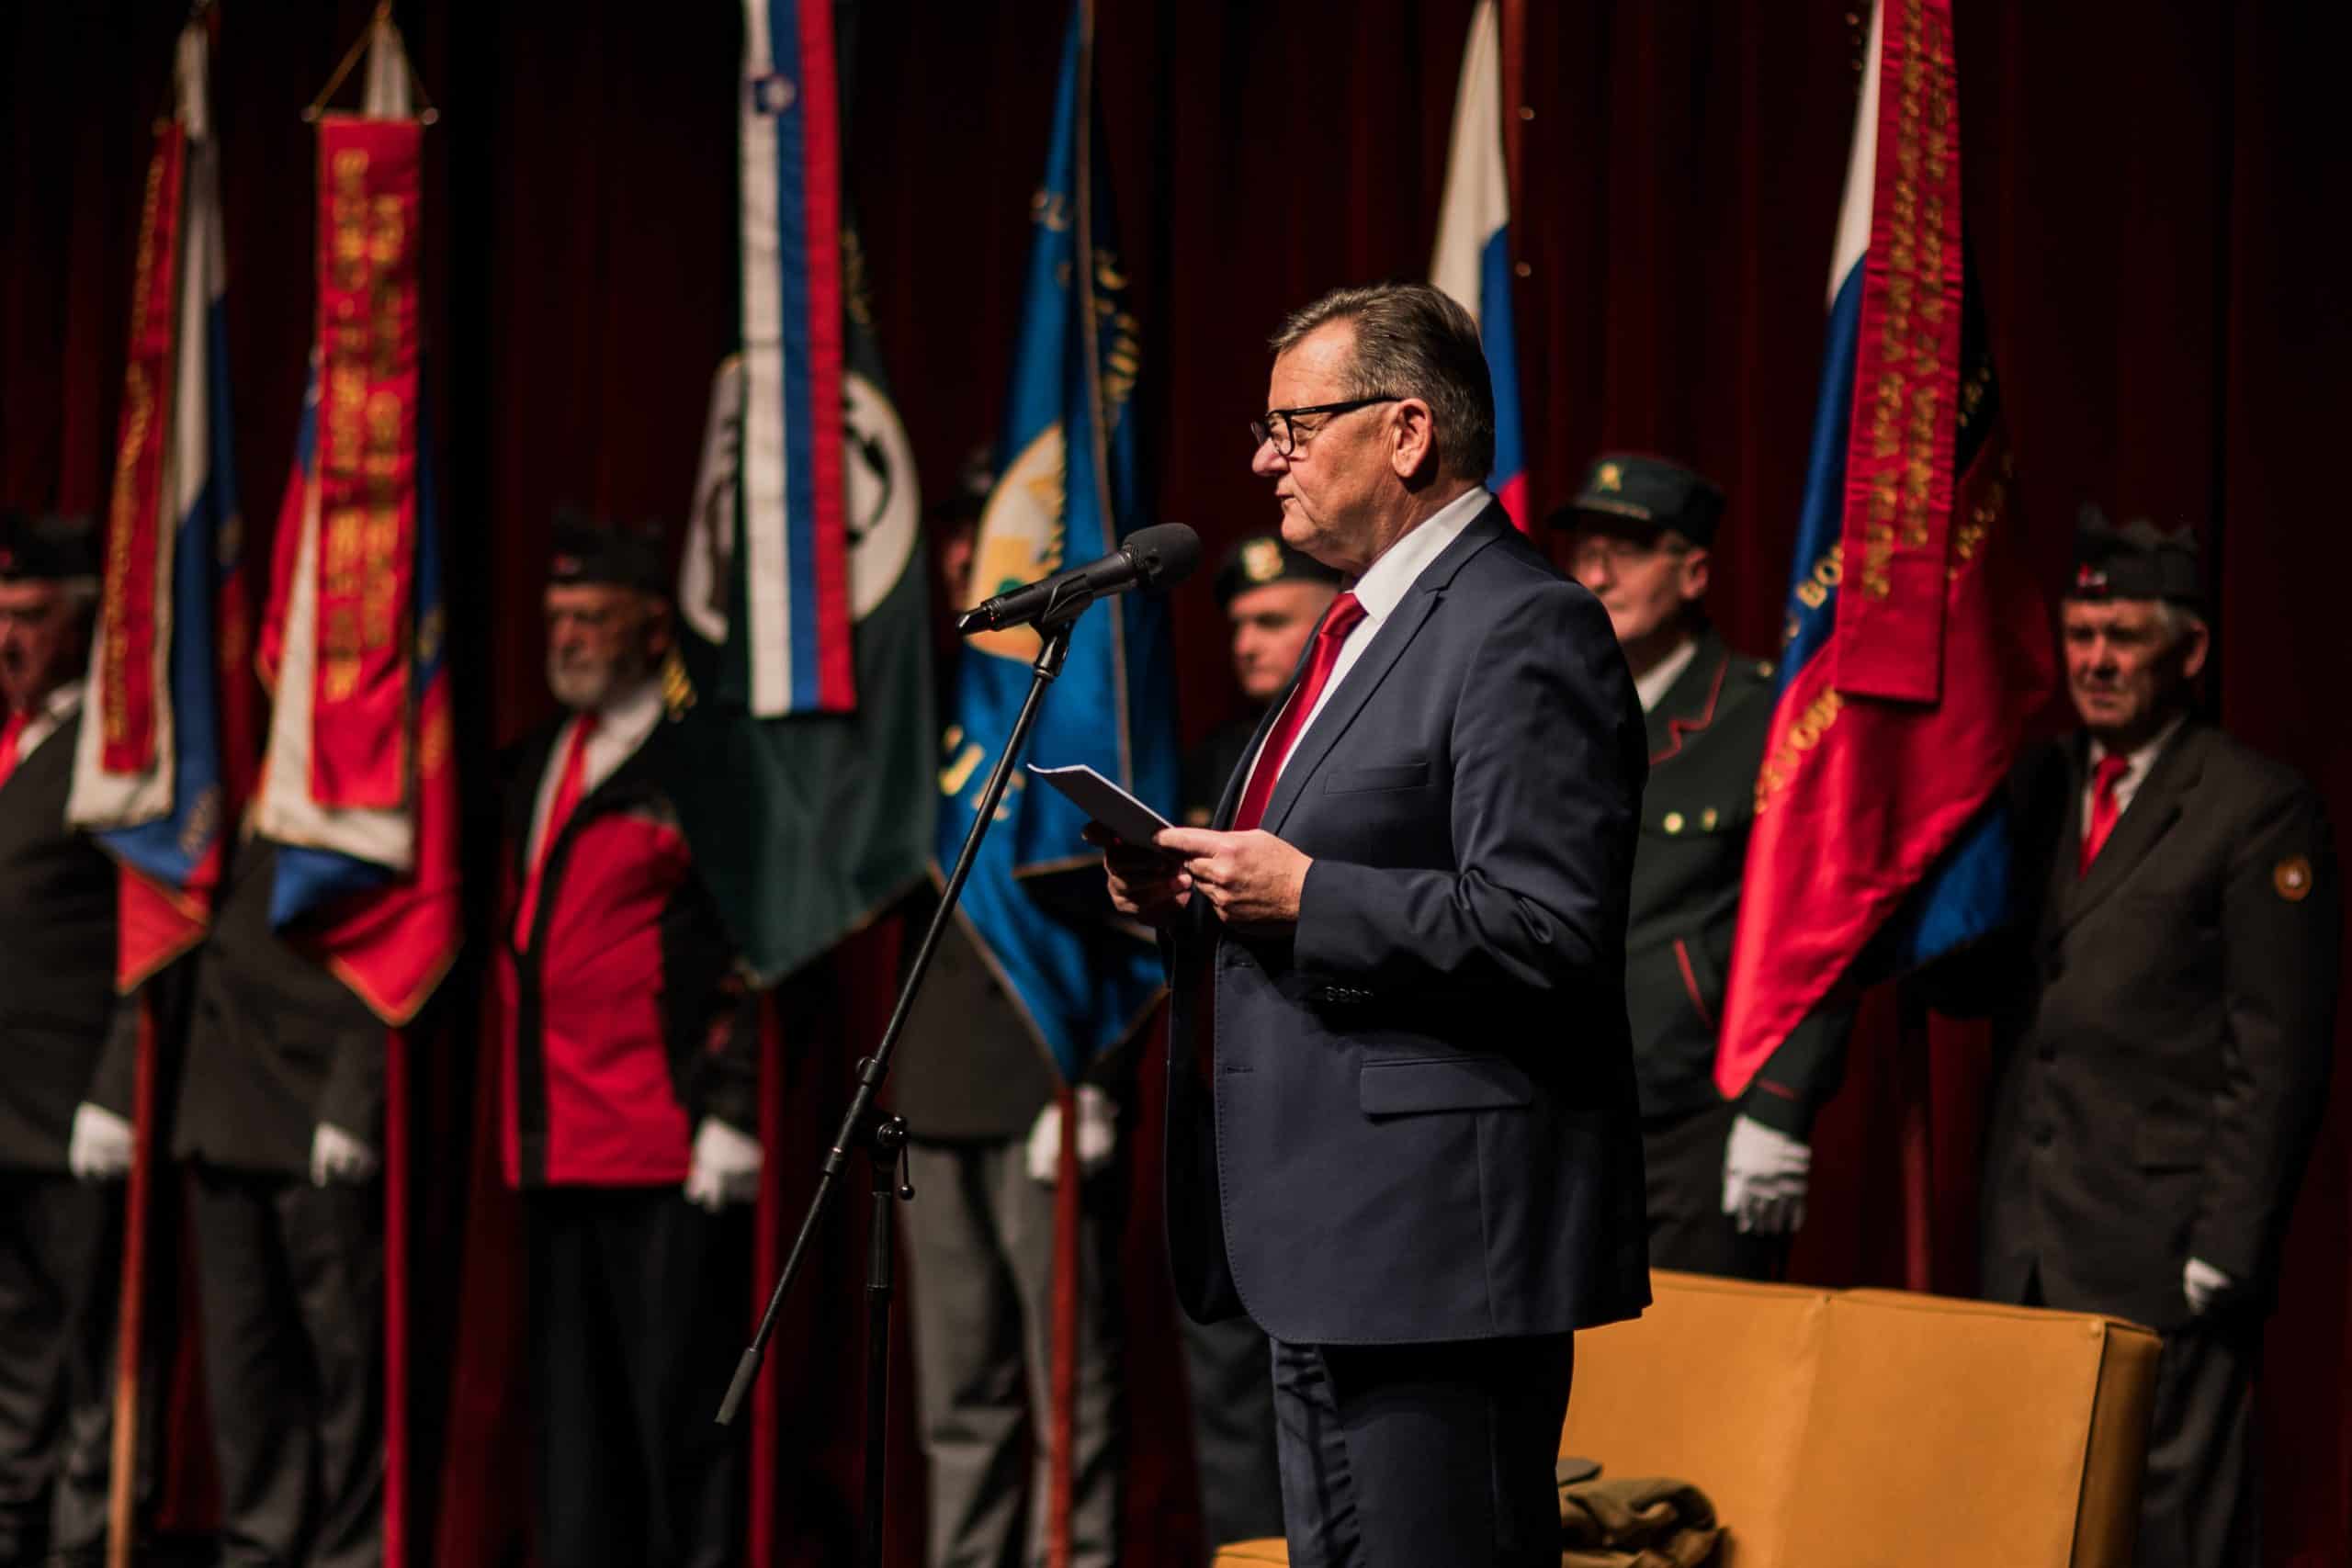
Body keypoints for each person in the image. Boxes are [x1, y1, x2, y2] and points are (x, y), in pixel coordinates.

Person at [1098, 283, 1650, 1567]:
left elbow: (1549, 927)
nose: (1261, 459)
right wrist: (1191, 900)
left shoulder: (1524, 624)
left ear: (1407, 432)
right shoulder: (1358, 626)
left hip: (1438, 1248)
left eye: (1294, 426)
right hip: (1318, 1234)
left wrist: (1306, 894)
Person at [1959, 510, 2339, 1568]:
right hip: (2030, 1235)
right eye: (2080, 634)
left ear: (2190, 650)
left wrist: (2231, 1240)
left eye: (2122, 636)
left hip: (2169, 1245)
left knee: (2171, 1529)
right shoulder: (2034, 782)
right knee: (2034, 1517)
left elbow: (2276, 1052)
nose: (2096, 660)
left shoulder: (2256, 809)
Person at [498, 515, 763, 1568]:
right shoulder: (531, 761)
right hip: (552, 1136)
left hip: (665, 1142)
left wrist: (733, 1114)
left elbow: (752, 946)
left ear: (653, 626)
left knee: (678, 1414)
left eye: (592, 618)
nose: (567, 638)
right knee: (574, 1425)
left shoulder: (697, 766)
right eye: (557, 618)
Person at [895, 457, 1128, 1568]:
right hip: (936, 1085)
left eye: (982, 540)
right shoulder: (923, 706)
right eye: (951, 541)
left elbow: (1117, 911)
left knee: (1065, 1394)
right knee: (959, 1396)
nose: (962, 563)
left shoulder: (1081, 694)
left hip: (1046, 1075)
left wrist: (1094, 1078)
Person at [1550, 456, 1853, 1279]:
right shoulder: (1547, 713)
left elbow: (1816, 926)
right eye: (1586, 549)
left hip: (1698, 1120)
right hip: (1556, 1114)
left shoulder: (1763, 717)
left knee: (1695, 1392)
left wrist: (1780, 1109)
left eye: (1631, 548)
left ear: (1693, 572)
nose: (1599, 571)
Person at [1170, 536, 1339, 1553]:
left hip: (1331, 1095)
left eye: (1270, 619)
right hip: (1227, 1105)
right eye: (1235, 624)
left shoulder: (1351, 732)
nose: (1246, 641)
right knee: (1230, 1400)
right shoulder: (1220, 754)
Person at [0, 513, 133, 1566]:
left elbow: (153, 936)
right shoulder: (9, 744)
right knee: (10, 1342)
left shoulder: (117, 754)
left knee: (87, 1343)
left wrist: (118, 1090)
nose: (8, 641)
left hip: (70, 1104)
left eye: (33, 619)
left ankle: (82, 1543)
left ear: (85, 626)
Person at [1180, 536, 1341, 829]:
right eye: (1237, 626)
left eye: (1271, 622)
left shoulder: (1371, 734)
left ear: (1331, 621)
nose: (1244, 647)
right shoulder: (1214, 757)